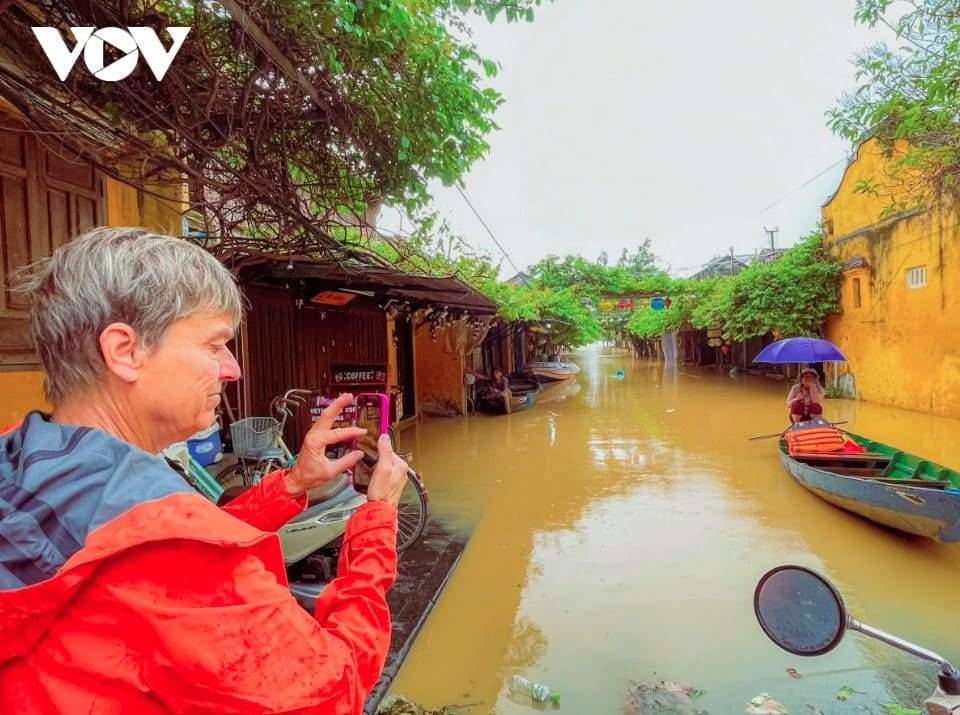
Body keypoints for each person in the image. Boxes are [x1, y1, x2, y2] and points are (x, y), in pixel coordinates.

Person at [0, 227, 409, 714]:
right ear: (125, 351)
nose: (232, 369)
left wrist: (294, 482)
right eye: (214, 345)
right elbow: (332, 690)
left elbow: (147, 532)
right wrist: (377, 516)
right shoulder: (172, 559)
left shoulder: (20, 456)